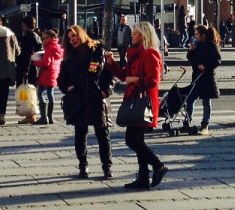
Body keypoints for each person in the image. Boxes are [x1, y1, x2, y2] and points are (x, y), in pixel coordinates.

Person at [105, 21, 166, 190]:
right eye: (132, 33)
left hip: (143, 102)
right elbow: (124, 75)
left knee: (132, 140)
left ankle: (158, 165)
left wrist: (135, 80)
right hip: (134, 100)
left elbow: (153, 80)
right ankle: (144, 178)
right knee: (137, 139)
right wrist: (111, 63)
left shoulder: (149, 53)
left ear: (144, 35)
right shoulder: (135, 54)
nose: (132, 35)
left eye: (136, 33)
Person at [58, 25, 113, 179]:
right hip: (78, 99)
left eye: (74, 36)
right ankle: (83, 166)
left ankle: (107, 167)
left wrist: (106, 90)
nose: (72, 39)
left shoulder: (97, 51)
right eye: (69, 38)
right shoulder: (69, 58)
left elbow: (109, 74)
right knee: (80, 133)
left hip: (96, 98)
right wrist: (67, 88)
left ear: (81, 35)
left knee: (103, 133)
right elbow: (61, 80)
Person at [185, 25, 223, 135]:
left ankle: (205, 125)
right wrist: (191, 51)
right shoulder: (197, 45)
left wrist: (205, 66)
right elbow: (191, 59)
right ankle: (188, 122)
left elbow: (217, 60)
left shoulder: (211, 45)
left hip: (207, 78)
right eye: (195, 34)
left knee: (206, 101)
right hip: (197, 77)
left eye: (197, 35)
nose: (195, 37)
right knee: (190, 99)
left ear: (203, 35)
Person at [32, 29, 62, 125]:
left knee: (40, 94)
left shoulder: (49, 48)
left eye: (46, 38)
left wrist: (35, 62)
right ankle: (50, 117)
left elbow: (45, 63)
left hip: (46, 74)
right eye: (43, 38)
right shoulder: (57, 48)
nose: (44, 40)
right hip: (54, 74)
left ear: (52, 38)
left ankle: (44, 117)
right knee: (50, 93)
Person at [15, 15, 41, 87]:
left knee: (25, 88)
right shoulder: (35, 36)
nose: (22, 28)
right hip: (32, 66)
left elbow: (29, 53)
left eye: (23, 26)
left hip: (28, 66)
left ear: (28, 26)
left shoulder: (30, 37)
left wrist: (26, 69)